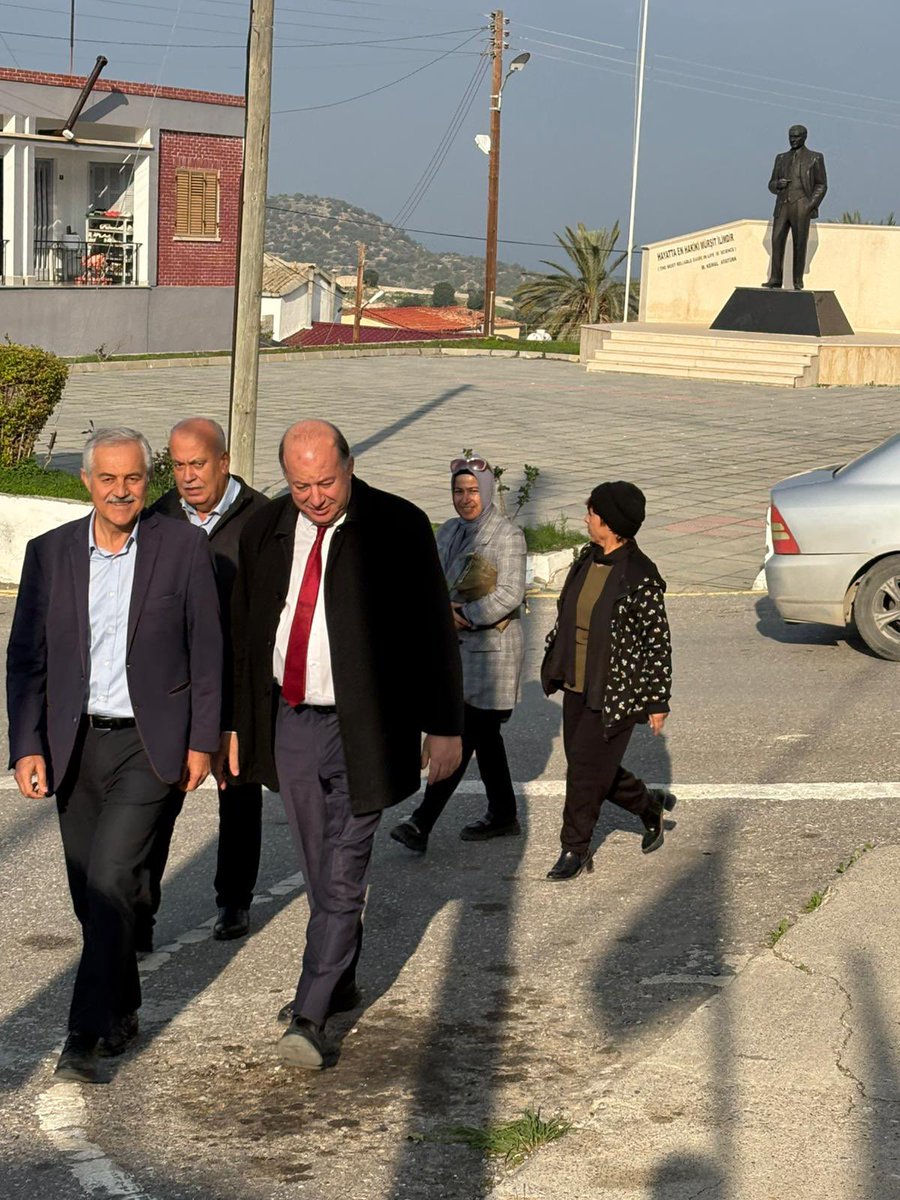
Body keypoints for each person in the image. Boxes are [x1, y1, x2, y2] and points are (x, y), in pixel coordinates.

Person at [229, 419, 463, 1069]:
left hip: (368, 725)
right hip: (292, 719)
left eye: (326, 481)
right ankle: (342, 978)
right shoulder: (264, 529)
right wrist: (237, 726)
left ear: (351, 465)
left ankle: (310, 1013)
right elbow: (248, 637)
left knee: (343, 869)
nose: (316, 496)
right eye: (301, 485)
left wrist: (445, 725)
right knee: (317, 865)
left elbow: (432, 635)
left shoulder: (399, 526)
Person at [6, 427, 222, 1083]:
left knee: (109, 881)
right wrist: (26, 745)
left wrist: (202, 740)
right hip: (74, 747)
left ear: (145, 481)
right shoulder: (49, 555)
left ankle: (82, 1034)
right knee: (91, 898)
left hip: (146, 746)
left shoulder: (183, 548)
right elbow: (26, 661)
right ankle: (122, 1004)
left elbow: (208, 650)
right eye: (109, 479)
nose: (122, 492)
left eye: (133, 479)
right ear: (87, 482)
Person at [143, 417, 268, 945]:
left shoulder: (263, 521)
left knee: (237, 792)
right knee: (154, 801)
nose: (189, 477)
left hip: (238, 685)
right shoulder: (158, 519)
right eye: (178, 465)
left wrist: (243, 715)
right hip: (174, 690)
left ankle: (233, 901)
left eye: (199, 464)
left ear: (224, 461)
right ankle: (138, 912)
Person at [390, 453, 526, 853]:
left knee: (464, 734)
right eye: (458, 491)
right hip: (457, 654)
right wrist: (435, 609)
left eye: (472, 491)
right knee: (484, 737)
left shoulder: (507, 535)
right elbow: (428, 578)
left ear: (486, 492)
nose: (466, 499)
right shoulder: (449, 531)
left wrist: (463, 615)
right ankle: (503, 814)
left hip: (491, 655)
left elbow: (509, 594)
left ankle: (422, 821)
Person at [540, 481, 674, 882]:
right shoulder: (588, 559)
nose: (586, 518)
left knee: (583, 771)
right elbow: (569, 616)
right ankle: (648, 805)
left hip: (615, 691)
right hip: (577, 683)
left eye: (592, 512)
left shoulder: (640, 576)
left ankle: (575, 849)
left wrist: (657, 700)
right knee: (591, 766)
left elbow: (657, 641)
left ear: (611, 523)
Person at [762, 124, 827, 291]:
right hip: (782, 205)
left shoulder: (815, 158)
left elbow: (821, 185)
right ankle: (775, 278)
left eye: (796, 137)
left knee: (799, 243)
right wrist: (778, 184)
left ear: (804, 137)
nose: (793, 140)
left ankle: (797, 280)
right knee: (776, 240)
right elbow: (770, 184)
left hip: (801, 204)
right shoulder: (781, 158)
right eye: (791, 136)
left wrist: (809, 204)